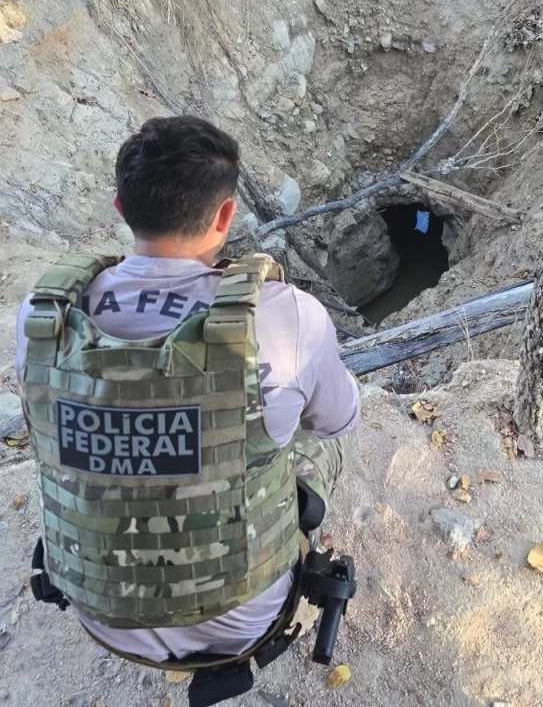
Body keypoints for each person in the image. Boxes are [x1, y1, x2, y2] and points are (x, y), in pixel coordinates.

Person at [16, 115, 359, 663]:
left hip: (101, 615)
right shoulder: (286, 317)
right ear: (226, 214)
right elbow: (338, 420)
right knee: (320, 437)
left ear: (121, 209)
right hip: (244, 619)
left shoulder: (42, 318)